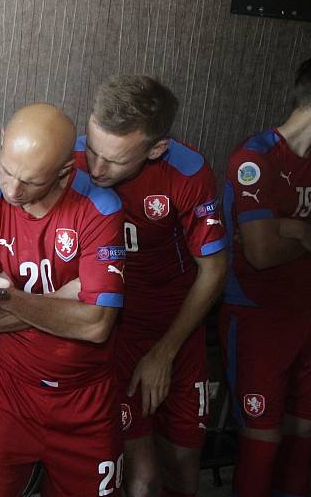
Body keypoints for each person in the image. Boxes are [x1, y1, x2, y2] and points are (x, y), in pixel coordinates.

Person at [0, 103, 126, 496]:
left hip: (86, 400)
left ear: (64, 172)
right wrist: (63, 299)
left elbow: (97, 325)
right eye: (7, 171)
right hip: (11, 394)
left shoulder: (100, 208)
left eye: (30, 181)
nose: (12, 190)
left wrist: (8, 298)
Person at [74, 75, 227, 497]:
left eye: (115, 160)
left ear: (156, 149)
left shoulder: (188, 173)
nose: (96, 168)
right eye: (92, 148)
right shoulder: (69, 159)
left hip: (175, 329)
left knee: (181, 466)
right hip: (114, 331)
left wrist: (164, 351)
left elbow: (214, 269)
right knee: (140, 479)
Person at [220, 57, 311, 497]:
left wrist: (290, 226)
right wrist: (301, 231)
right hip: (258, 317)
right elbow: (260, 253)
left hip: (306, 313)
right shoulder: (254, 158)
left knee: (303, 433)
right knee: (263, 439)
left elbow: (274, 238)